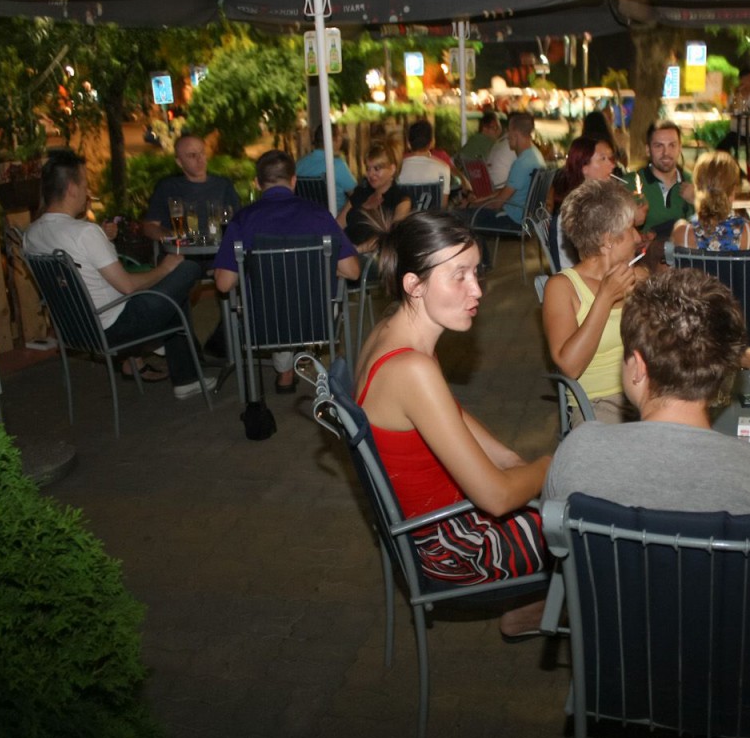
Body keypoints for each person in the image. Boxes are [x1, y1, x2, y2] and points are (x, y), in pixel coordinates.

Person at [542, 267, 750, 574]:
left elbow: (558, 547)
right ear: (724, 372)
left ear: (638, 366)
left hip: (616, 611)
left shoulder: (577, 453)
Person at [355, 211, 551, 637]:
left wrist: (510, 458)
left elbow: (447, 410)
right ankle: (548, 612)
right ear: (415, 284)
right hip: (453, 546)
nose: (477, 289)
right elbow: (497, 498)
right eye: (459, 275)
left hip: (432, 524)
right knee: (599, 531)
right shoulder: (412, 369)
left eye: (476, 272)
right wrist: (550, 465)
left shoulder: (393, 330)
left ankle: (541, 606)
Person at [25, 149, 216, 400]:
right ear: (71, 188)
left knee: (171, 291)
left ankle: (179, 363)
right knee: (187, 268)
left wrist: (104, 240)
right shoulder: (84, 232)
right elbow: (127, 286)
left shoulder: (31, 235)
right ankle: (182, 371)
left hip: (76, 328)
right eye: (85, 184)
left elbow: (80, 266)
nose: (87, 191)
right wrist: (165, 268)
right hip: (116, 325)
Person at [212, 150, 360, 393]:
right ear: (293, 180)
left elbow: (223, 284)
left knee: (272, 292)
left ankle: (285, 372)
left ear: (257, 183)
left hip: (264, 322)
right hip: (316, 318)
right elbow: (352, 271)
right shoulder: (318, 215)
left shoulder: (243, 220)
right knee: (298, 290)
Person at [542, 179, 643, 426]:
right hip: (598, 405)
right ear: (608, 240)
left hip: (646, 395)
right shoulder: (562, 288)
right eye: (631, 229)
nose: (638, 237)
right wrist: (605, 298)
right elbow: (570, 367)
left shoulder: (638, 277)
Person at [670, 151, 750, 286]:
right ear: (733, 192)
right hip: (742, 301)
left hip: (697, 300)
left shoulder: (682, 233)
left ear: (696, 188)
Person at [545, 136, 643, 270]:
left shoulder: (603, 203)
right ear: (583, 167)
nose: (612, 165)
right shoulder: (573, 213)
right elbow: (571, 266)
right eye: (603, 159)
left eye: (610, 158)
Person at [464, 112, 546, 261]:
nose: (507, 137)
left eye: (509, 133)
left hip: (513, 220)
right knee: (472, 212)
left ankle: (482, 264)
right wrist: (480, 200)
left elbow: (497, 204)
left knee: (461, 217)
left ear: (515, 134)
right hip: (528, 218)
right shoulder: (535, 156)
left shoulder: (521, 164)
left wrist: (472, 205)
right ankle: (483, 263)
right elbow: (506, 190)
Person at [142, 133, 241, 243]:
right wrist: (171, 237)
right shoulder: (168, 187)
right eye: (192, 155)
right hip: (182, 250)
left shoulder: (223, 185)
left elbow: (239, 221)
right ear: (179, 162)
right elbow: (150, 226)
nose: (200, 159)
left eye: (202, 153)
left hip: (218, 249)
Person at [338, 140, 412, 253]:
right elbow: (338, 224)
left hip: (374, 257)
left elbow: (392, 236)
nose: (370, 174)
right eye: (368, 169)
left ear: (392, 169)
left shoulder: (401, 201)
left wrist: (357, 250)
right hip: (348, 252)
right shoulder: (361, 193)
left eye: (377, 169)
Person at [633, 119, 695, 239]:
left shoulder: (695, 183)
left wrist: (698, 202)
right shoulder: (630, 184)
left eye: (672, 145)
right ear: (648, 150)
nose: (666, 152)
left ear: (680, 148)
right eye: (659, 146)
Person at [295, 124, 357, 213]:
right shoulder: (336, 165)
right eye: (340, 135)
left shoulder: (299, 165)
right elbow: (356, 194)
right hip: (335, 218)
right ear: (334, 140)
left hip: (308, 217)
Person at [397, 119, 452, 205]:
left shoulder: (398, 169)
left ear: (408, 143)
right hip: (433, 214)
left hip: (407, 214)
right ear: (431, 142)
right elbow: (443, 205)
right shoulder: (443, 169)